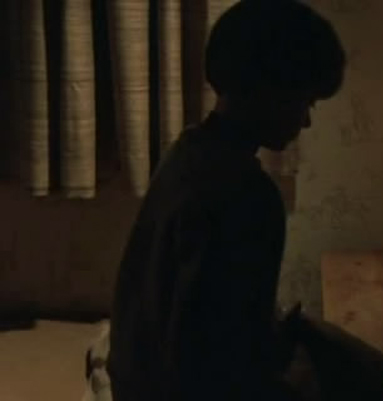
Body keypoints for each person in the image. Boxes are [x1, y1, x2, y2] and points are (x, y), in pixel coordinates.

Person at [107, 1, 345, 400]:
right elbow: (213, 367)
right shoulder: (247, 195)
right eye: (304, 101)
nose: (306, 121)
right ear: (269, 90)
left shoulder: (186, 152)